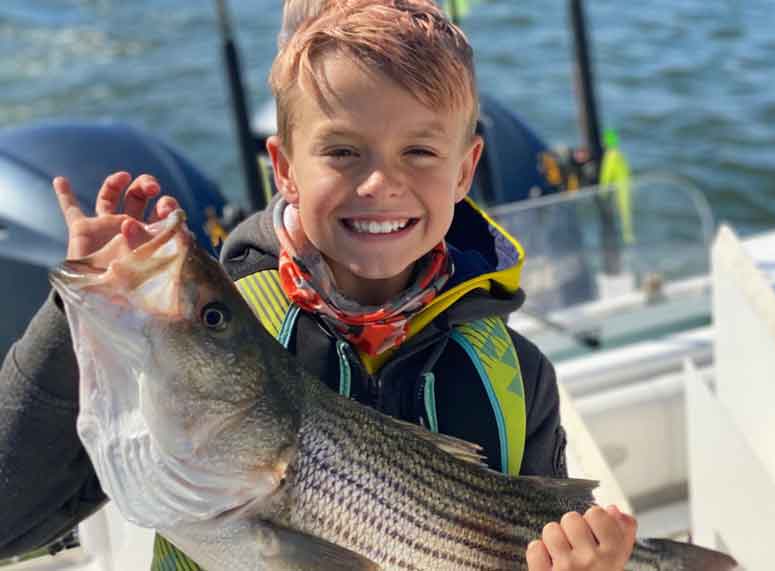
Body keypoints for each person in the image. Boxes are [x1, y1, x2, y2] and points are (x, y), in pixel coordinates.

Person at [0, 1, 636, 570]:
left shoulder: (519, 377)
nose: (380, 184)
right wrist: (83, 307)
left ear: (466, 169)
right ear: (284, 168)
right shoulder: (220, 317)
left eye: (419, 151)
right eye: (342, 152)